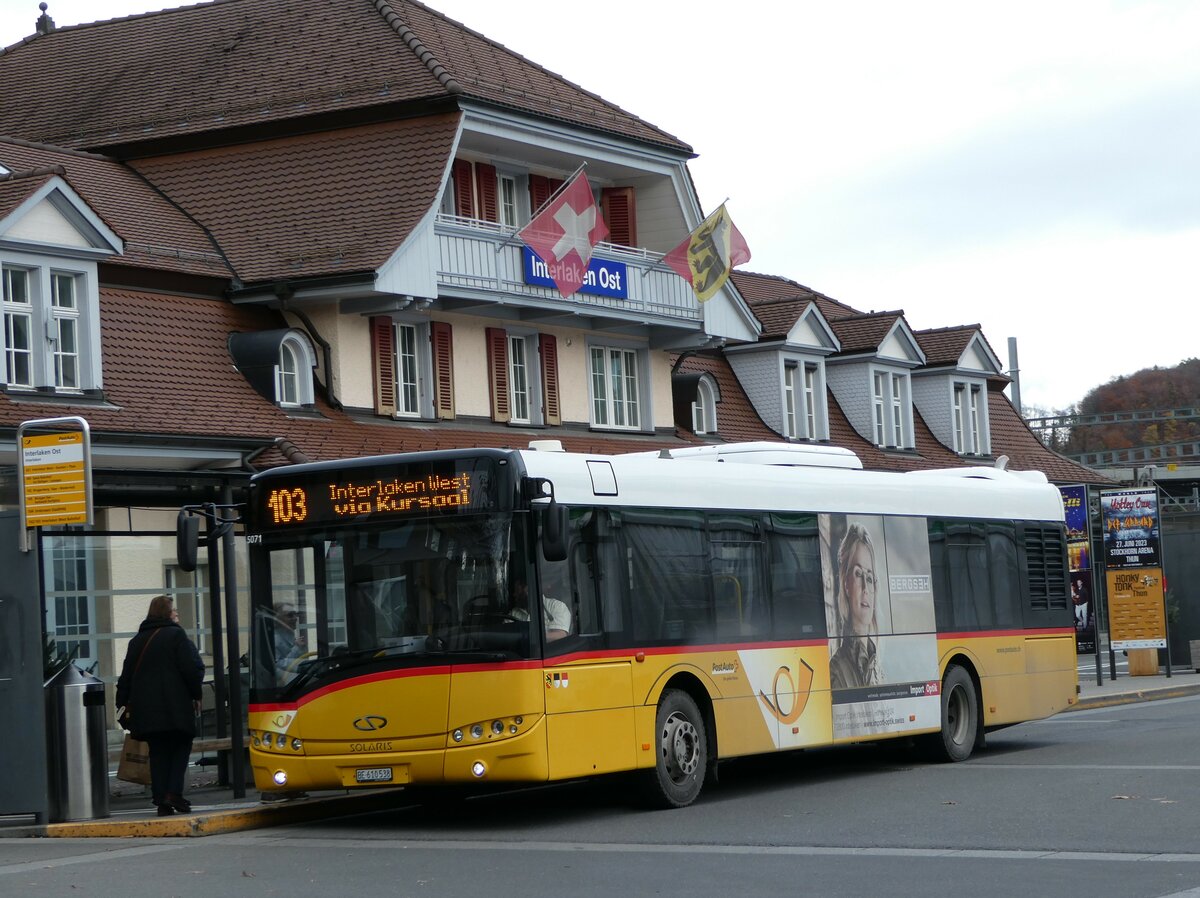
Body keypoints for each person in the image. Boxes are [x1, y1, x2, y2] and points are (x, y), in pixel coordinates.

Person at [115, 594, 204, 817]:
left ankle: (161, 798)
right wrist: (196, 694)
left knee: (158, 752)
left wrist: (121, 706)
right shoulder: (176, 635)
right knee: (180, 747)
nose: (176, 614)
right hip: (174, 706)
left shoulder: (137, 640)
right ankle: (173, 793)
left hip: (146, 709)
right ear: (166, 613)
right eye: (173, 610)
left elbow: (125, 676)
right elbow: (189, 669)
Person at [829, 523, 882, 688]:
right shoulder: (837, 671)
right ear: (846, 584)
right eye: (858, 574)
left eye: (869, 577)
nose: (866, 589)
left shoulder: (877, 667)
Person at [271, 602, 306, 683]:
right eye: (290, 615)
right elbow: (278, 664)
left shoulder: (288, 632)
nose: (295, 618)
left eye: (295, 614)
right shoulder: (275, 638)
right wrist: (297, 648)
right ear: (278, 619)